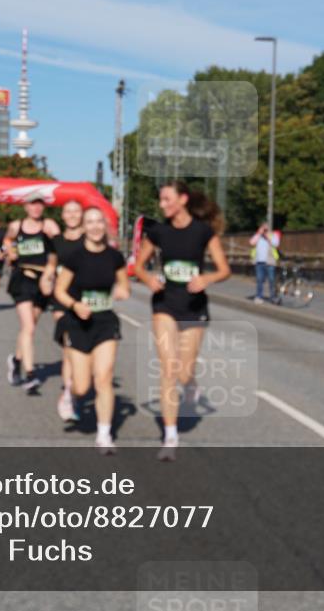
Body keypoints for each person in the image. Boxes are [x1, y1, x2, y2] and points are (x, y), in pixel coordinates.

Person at [133, 180, 231, 461]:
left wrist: (206, 278)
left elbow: (224, 270)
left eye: (166, 199)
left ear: (182, 199)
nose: (162, 205)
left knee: (184, 371)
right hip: (165, 304)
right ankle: (170, 435)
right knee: (168, 368)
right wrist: (148, 278)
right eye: (160, 200)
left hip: (194, 307)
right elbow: (138, 265)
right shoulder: (157, 232)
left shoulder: (203, 232)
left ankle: (191, 385)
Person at [54, 207, 129, 453]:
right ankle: (70, 393)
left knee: (104, 377)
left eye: (99, 222)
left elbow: (124, 286)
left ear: (105, 226)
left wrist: (121, 292)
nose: (95, 226)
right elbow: (59, 292)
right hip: (78, 324)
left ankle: (104, 434)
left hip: (106, 323)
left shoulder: (115, 257)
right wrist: (75, 305)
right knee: (82, 386)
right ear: (84, 227)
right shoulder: (75, 257)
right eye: (90, 222)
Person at [3, 193, 60, 394]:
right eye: (32, 205)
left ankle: (16, 360)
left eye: (39, 205)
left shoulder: (49, 225)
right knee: (28, 326)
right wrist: (10, 251)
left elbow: (59, 249)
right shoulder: (16, 226)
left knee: (30, 326)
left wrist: (52, 270)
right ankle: (30, 374)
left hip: (43, 280)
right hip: (22, 278)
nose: (36, 208)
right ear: (26, 206)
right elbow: (7, 240)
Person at [50, 200, 85, 421]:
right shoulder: (56, 241)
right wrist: (46, 278)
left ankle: (74, 391)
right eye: (68, 211)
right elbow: (52, 266)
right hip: (62, 299)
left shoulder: (89, 240)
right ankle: (67, 395)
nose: (72, 215)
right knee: (68, 348)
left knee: (81, 351)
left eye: (76, 211)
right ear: (62, 216)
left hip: (85, 300)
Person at [250, 222, 280, 303]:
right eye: (263, 228)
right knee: (259, 280)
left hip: (270, 261)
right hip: (259, 261)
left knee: (271, 280)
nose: (264, 230)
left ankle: (273, 297)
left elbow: (276, 244)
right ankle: (259, 296)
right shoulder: (258, 236)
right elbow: (251, 242)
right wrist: (259, 233)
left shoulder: (273, 235)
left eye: (266, 228)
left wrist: (267, 236)